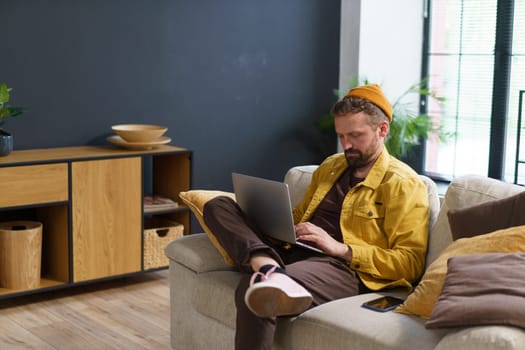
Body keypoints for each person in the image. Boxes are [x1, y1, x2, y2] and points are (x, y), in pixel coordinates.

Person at [203, 84, 429, 350]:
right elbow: (301, 214)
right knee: (217, 205)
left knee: (254, 289)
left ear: (382, 130)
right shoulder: (332, 166)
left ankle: (266, 271)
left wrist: (341, 249)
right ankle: (268, 265)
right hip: (295, 248)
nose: (346, 145)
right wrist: (275, 220)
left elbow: (410, 263)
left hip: (342, 268)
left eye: (355, 135)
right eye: (341, 135)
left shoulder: (403, 184)